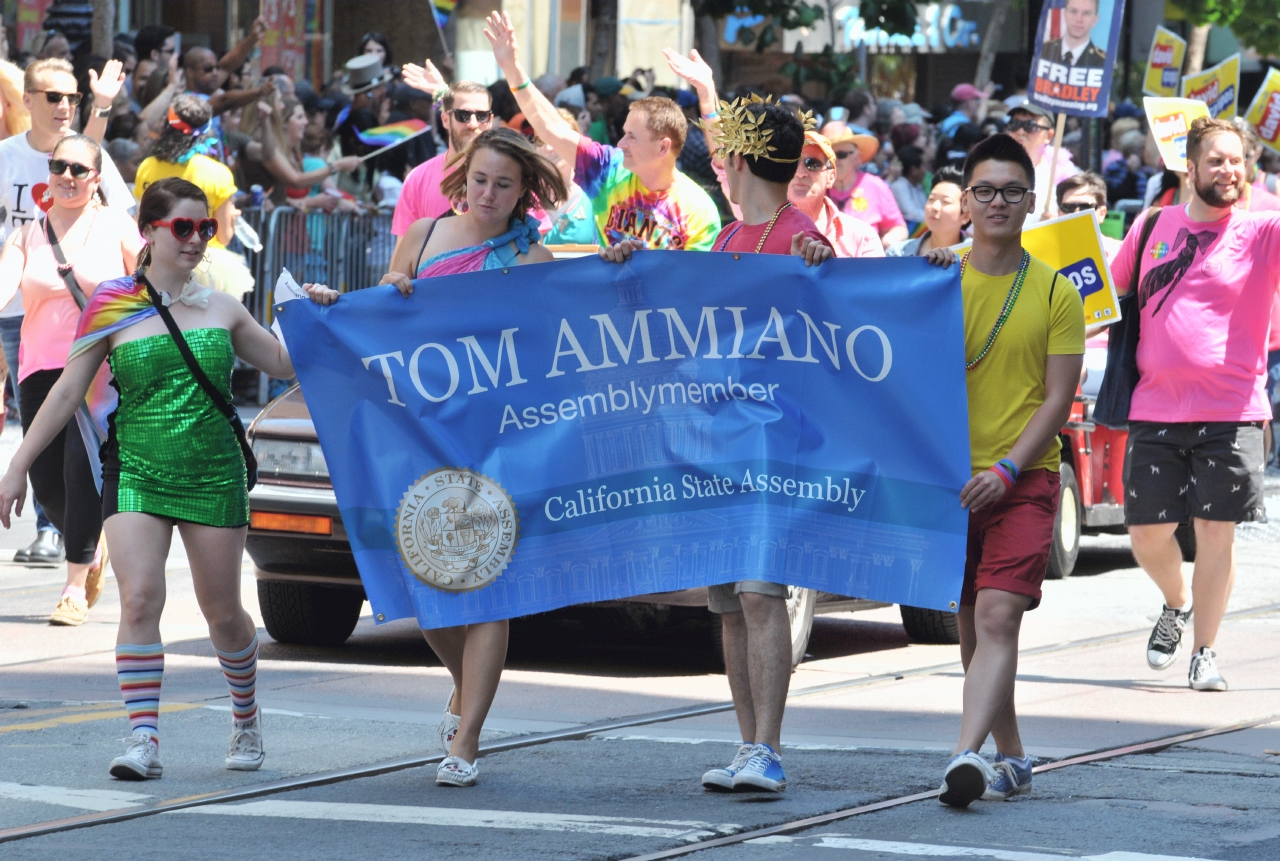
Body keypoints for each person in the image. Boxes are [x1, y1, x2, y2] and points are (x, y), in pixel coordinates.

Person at [0, 177, 337, 779]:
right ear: (149, 232)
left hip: (212, 473)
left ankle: (244, 717)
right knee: (140, 599)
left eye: (204, 227)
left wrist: (310, 315)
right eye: (182, 226)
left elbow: (286, 364)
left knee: (223, 613)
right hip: (134, 468)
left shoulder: (222, 306)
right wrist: (16, 465)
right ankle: (143, 740)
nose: (196, 238)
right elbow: (66, 393)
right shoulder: (111, 303)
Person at [601, 99, 832, 796]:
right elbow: (686, 328)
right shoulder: (729, 241)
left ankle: (769, 746)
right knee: (727, 599)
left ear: (739, 160)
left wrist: (824, 274)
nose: (719, 167)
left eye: (725, 155)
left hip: (771, 439)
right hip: (714, 440)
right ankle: (745, 743)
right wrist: (632, 271)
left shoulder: (802, 238)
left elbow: (834, 334)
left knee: (762, 595)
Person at [379, 129, 564, 787]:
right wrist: (390, 290)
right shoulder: (423, 236)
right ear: (464, 180)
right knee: (424, 582)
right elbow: (380, 320)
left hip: (497, 437)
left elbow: (568, 335)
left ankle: (467, 738)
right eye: (481, 179)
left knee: (486, 588)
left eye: (504, 184)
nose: (489, 194)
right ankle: (466, 689)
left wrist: (617, 267)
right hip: (423, 434)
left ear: (524, 194)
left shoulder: (534, 258)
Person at [922, 133, 1084, 806]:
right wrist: (815, 256)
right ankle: (1011, 754)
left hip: (1025, 480)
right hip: (949, 482)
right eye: (983, 191)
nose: (997, 203)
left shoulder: (1057, 292)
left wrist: (1010, 468)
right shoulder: (931, 278)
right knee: (971, 618)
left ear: (1030, 200)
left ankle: (965, 754)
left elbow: (1058, 398)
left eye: (1011, 192)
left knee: (996, 617)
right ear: (964, 201)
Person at [1111, 117, 1280, 692]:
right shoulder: (1153, 225)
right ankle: (1176, 601)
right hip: (1155, 407)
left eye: (1237, 160)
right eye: (1216, 160)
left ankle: (1205, 652)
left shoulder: (1263, 233)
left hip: (1232, 412)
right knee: (1146, 533)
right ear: (1191, 168)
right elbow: (1106, 295)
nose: (1228, 170)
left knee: (1216, 533)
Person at [0, 135, 143, 625]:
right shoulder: (26, 236)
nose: (67, 175)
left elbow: (152, 282)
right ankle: (93, 546)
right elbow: (2, 287)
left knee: (83, 470)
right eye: (59, 165)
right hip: (39, 369)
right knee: (47, 484)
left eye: (78, 169)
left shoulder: (116, 226)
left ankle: (73, 588)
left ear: (96, 179)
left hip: (99, 370)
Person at [488, 14, 720, 250]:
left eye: (632, 137)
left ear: (663, 147)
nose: (621, 144)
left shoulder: (699, 211)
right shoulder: (609, 169)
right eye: (624, 133)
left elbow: (695, 283)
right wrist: (512, 67)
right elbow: (551, 128)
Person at [392, 68, 494, 234]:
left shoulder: (512, 174)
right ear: (446, 120)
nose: (473, 124)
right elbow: (403, 255)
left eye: (481, 116)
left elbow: (532, 249)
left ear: (490, 120)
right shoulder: (418, 179)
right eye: (463, 115)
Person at [133, 94, 236, 246]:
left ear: (167, 127)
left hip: (159, 259)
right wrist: (232, 218)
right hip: (203, 262)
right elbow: (224, 237)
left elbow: (140, 224)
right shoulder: (219, 173)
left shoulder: (147, 166)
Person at [241, 95, 361, 207]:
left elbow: (285, 195)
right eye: (299, 117)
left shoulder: (296, 154)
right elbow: (296, 181)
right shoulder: (264, 147)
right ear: (283, 122)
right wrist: (338, 166)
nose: (306, 122)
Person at [787, 130, 882, 258]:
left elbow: (874, 278)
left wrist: (833, 268)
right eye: (792, 164)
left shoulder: (862, 236)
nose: (800, 173)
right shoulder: (763, 229)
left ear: (831, 177)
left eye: (812, 164)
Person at [823, 125, 908, 247]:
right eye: (828, 155)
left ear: (856, 158)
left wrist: (890, 239)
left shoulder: (875, 185)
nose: (834, 160)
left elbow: (898, 227)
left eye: (841, 154)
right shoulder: (814, 187)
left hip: (866, 261)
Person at [1006, 99, 1078, 222]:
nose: (1020, 131)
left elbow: (1076, 221)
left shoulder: (1064, 174)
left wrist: (1057, 223)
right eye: (1015, 124)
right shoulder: (990, 167)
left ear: (1049, 136)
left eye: (1030, 126)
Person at [886, 165, 968, 257]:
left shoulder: (976, 256)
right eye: (931, 199)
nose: (934, 207)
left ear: (965, 216)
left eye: (946, 201)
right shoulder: (898, 254)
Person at [1055, 172, 1120, 259]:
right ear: (1059, 213)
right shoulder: (1043, 257)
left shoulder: (1122, 253)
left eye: (1085, 207)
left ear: (1102, 213)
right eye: (1068, 207)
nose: (1076, 213)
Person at [1040, 0, 1106, 68]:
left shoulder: (1104, 63)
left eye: (1086, 13)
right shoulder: (1043, 51)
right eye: (1073, 11)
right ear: (1065, 15)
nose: (1079, 19)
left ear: (1095, 20)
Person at [890, 144, 928, 229]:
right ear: (914, 170)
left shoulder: (918, 186)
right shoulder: (899, 186)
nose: (925, 170)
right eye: (923, 166)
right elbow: (911, 214)